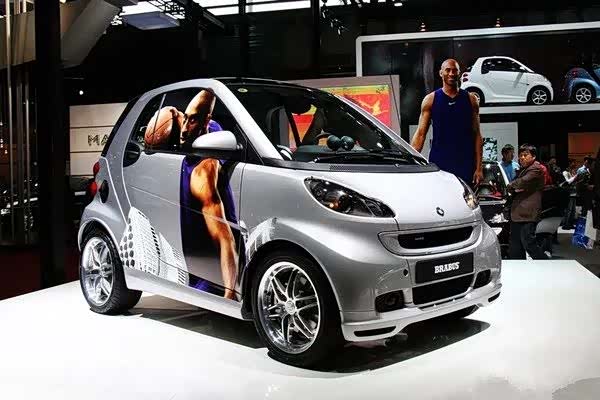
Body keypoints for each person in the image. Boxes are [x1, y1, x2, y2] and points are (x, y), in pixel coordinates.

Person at [179, 90, 239, 300]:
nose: (184, 129)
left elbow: (225, 239)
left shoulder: (203, 172)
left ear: (206, 121)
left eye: (192, 120)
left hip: (213, 282)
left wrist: (229, 294)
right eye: (185, 118)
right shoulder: (212, 129)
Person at [411, 58, 483, 186]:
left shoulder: (471, 100)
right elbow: (421, 134)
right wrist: (411, 162)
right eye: (448, 70)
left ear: (459, 73)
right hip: (440, 163)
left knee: (465, 198)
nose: (451, 73)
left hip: (465, 163)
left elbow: (477, 135)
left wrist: (479, 168)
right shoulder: (430, 100)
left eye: (454, 70)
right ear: (441, 73)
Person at [507, 144, 549, 259]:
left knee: (529, 244)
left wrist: (511, 186)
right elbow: (517, 184)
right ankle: (518, 267)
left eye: (525, 155)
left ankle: (546, 264)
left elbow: (520, 182)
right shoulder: (524, 169)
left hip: (528, 213)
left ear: (533, 156)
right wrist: (514, 186)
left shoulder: (536, 168)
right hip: (519, 213)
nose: (522, 158)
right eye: (520, 155)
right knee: (516, 246)